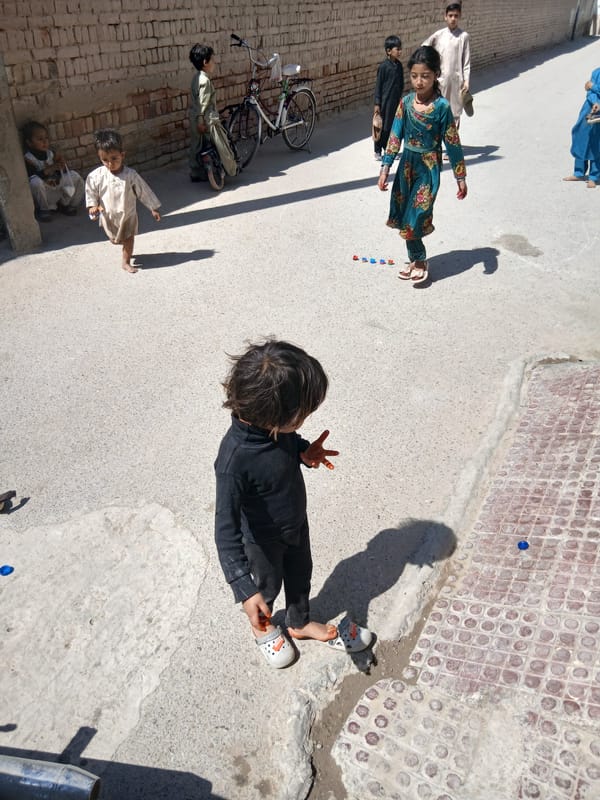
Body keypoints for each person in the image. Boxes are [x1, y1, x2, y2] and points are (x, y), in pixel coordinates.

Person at [214, 339, 373, 669]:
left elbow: (285, 443)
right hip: (261, 541)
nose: (306, 418)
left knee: (301, 575)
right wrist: (244, 589)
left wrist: (303, 451)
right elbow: (225, 533)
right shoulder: (234, 461)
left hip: (295, 522)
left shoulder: (273, 428)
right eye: (303, 414)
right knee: (266, 587)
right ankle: (263, 626)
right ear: (274, 417)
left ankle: (299, 623)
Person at [378, 45, 467, 285]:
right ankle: (414, 260)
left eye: (425, 76)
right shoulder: (406, 103)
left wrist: (460, 177)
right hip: (406, 168)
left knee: (416, 215)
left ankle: (419, 260)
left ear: (436, 75)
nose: (419, 82)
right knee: (405, 215)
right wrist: (385, 168)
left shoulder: (442, 108)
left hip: (428, 169)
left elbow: (452, 143)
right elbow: (395, 137)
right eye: (414, 76)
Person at [85, 128, 161, 273]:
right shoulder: (96, 176)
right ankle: (122, 245)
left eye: (114, 158)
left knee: (128, 238)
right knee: (114, 240)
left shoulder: (130, 175)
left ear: (122, 155)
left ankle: (125, 262)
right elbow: (91, 190)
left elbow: (143, 191)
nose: (110, 164)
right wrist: (92, 206)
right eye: (105, 160)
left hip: (127, 215)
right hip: (108, 216)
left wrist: (153, 207)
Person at [188, 43, 237, 182]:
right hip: (205, 119)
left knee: (197, 145)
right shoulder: (205, 81)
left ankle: (195, 172)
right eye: (212, 60)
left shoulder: (196, 78)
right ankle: (229, 169)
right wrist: (201, 121)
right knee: (220, 144)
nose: (214, 63)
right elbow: (203, 103)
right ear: (205, 62)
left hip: (194, 117)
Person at [22, 121, 84, 222]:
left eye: (46, 138)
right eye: (40, 139)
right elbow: (31, 177)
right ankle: (44, 210)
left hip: (56, 189)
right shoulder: (28, 158)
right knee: (35, 182)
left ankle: (67, 205)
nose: (45, 142)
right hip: (44, 194)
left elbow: (61, 173)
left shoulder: (51, 154)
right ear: (29, 143)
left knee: (75, 176)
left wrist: (61, 166)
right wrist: (50, 169)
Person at [423, 3, 471, 127]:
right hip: (441, 81)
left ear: (459, 17)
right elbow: (424, 48)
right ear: (445, 16)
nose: (453, 18)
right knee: (438, 111)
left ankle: (453, 138)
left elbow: (466, 62)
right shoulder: (438, 35)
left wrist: (466, 81)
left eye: (456, 16)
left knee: (454, 114)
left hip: (457, 81)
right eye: (450, 15)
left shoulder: (463, 36)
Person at [563, 68, 600, 188]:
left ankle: (594, 177)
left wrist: (593, 86)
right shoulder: (596, 72)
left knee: (596, 143)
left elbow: (591, 86)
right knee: (581, 137)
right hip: (589, 108)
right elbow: (589, 91)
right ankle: (578, 173)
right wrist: (595, 102)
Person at [373, 35, 404, 161]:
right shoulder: (384, 67)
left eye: (400, 49)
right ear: (389, 51)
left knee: (392, 127)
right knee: (380, 126)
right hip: (384, 102)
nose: (400, 51)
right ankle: (377, 150)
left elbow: (401, 83)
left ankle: (389, 149)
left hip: (395, 102)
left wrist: (400, 99)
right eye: (397, 49)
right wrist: (377, 103)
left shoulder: (399, 66)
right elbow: (378, 86)